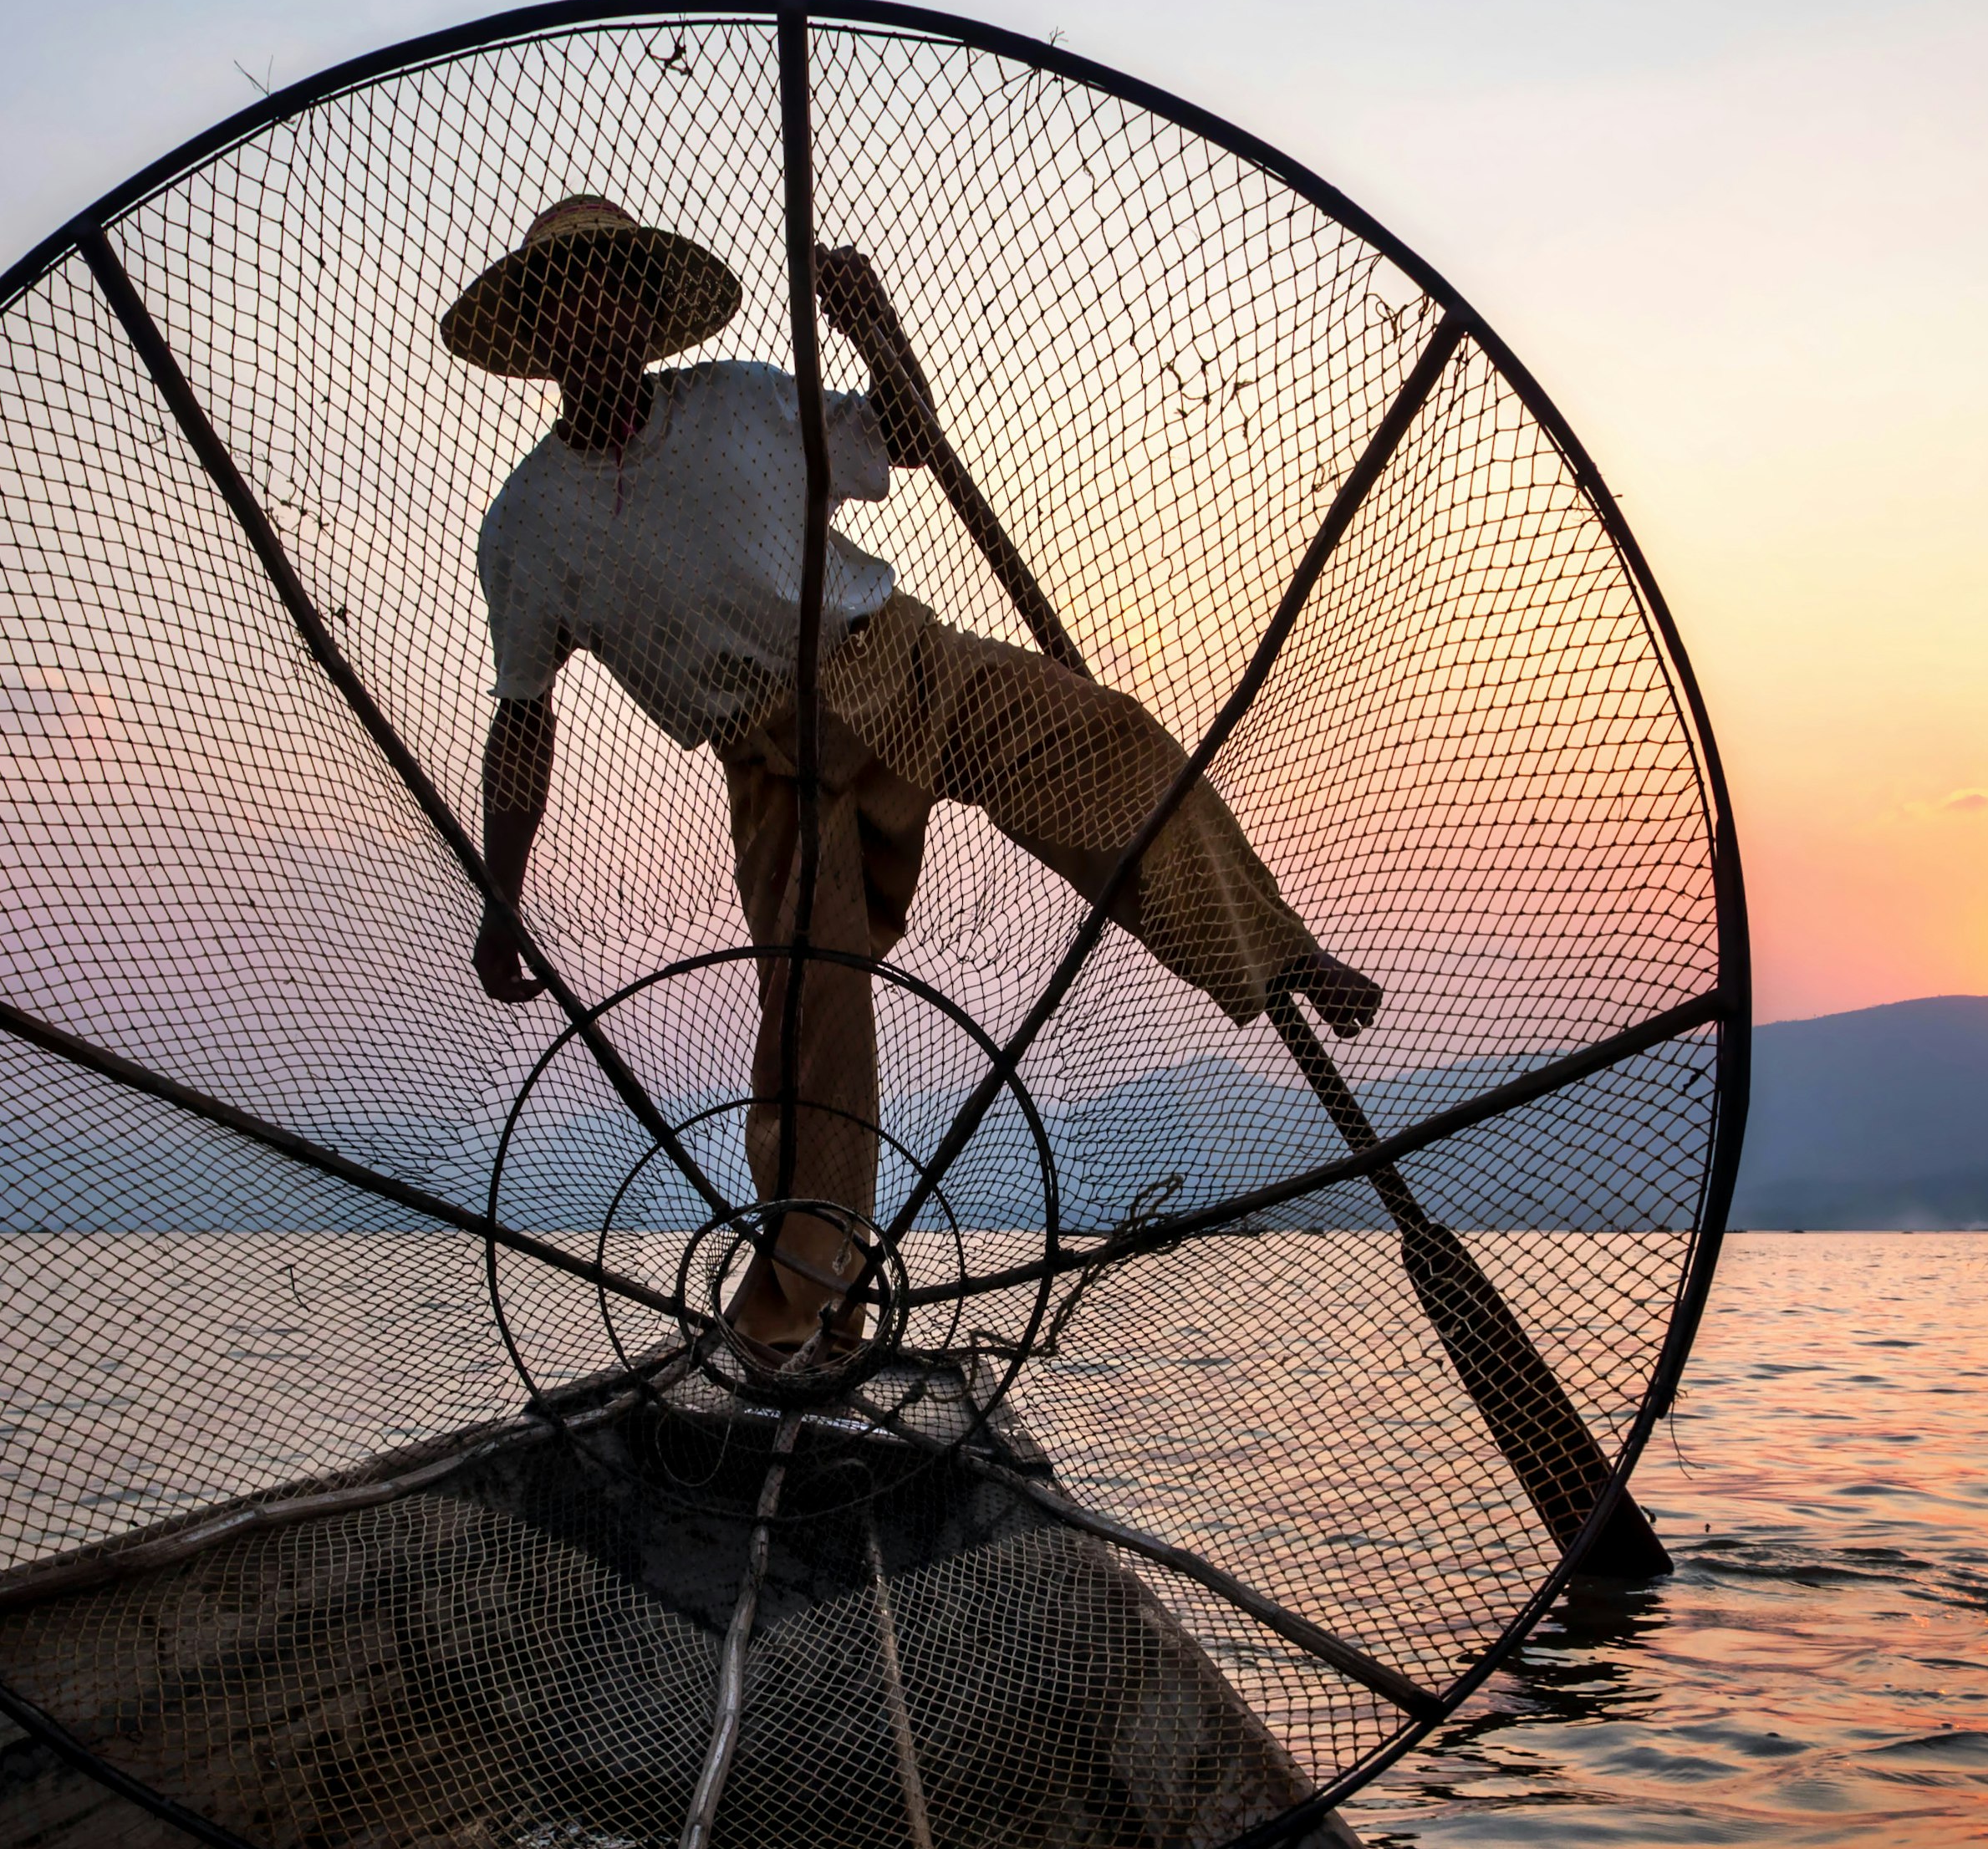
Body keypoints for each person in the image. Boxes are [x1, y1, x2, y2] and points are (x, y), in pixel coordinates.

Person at [446, 195, 1379, 1366]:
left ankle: (1275, 947)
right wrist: (501, 898)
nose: (595, 310)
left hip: (896, 659)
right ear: (536, 329)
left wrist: (872, 323)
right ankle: (808, 1314)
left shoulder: (740, 404)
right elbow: (522, 720)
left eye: (614, 288)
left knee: (1115, 746)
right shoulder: (529, 526)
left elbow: (909, 435)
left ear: (643, 313)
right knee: (809, 1022)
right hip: (775, 763)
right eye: (565, 293)